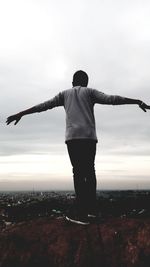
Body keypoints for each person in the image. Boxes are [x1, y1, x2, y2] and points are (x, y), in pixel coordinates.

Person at [6, 70, 150, 225]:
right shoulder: (90, 92)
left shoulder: (64, 94)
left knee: (78, 173)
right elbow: (112, 99)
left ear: (72, 82)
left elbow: (43, 106)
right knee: (90, 171)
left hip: (73, 139)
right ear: (86, 82)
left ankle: (82, 214)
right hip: (89, 138)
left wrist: (21, 113)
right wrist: (136, 101)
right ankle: (92, 212)